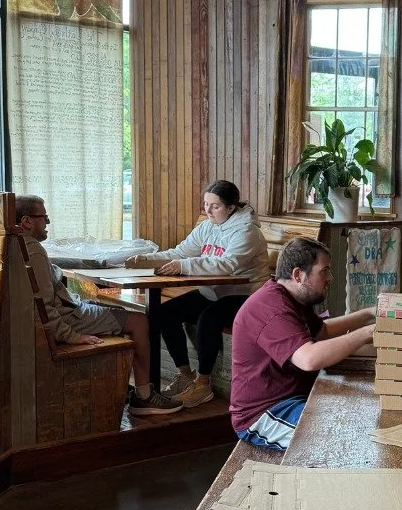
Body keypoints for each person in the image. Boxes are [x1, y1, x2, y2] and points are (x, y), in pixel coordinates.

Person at [16, 195, 181, 417]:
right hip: (69, 319)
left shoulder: (16, 244)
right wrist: (71, 336)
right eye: (43, 217)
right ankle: (144, 398)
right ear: (27, 221)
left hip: (65, 312)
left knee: (120, 313)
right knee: (139, 321)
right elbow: (44, 306)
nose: (47, 222)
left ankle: (129, 388)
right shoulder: (33, 249)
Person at [127, 180, 268, 408]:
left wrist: (183, 267)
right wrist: (147, 259)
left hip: (247, 295)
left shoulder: (247, 231)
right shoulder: (207, 226)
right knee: (164, 313)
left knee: (208, 318)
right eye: (206, 205)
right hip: (214, 292)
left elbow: (227, 265)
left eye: (215, 206)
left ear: (231, 207)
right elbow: (181, 252)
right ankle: (186, 376)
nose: (208, 211)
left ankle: (203, 384)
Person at [230, 237, 374, 451]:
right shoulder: (272, 309)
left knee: (358, 416)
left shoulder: (293, 297)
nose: (330, 278)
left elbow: (323, 331)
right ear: (298, 275)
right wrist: (368, 333)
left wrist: (368, 314)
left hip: (293, 399)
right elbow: (309, 359)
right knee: (343, 439)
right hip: (265, 414)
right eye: (324, 271)